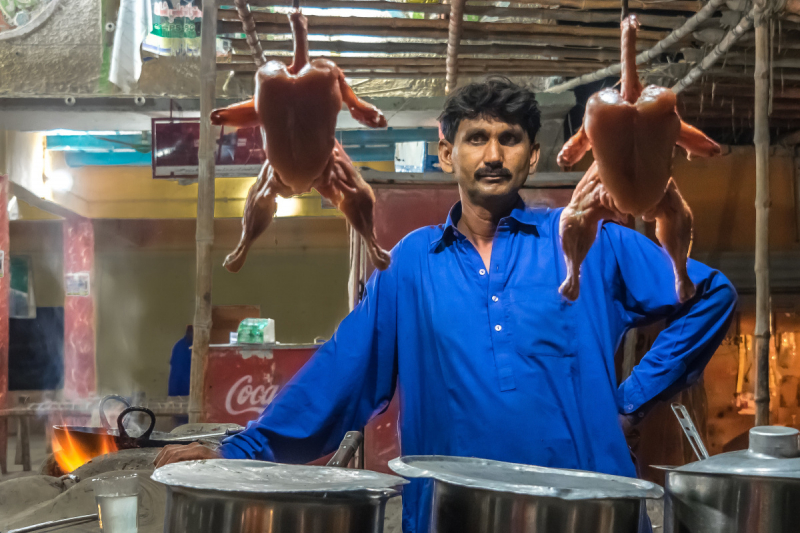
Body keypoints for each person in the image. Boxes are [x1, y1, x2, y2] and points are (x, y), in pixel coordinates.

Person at [155, 77, 737, 533]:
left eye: (509, 139)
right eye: (475, 138)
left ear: (533, 157)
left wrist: (632, 400)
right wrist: (239, 449)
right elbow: (340, 375)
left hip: (588, 515)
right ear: (445, 154)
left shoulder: (586, 239)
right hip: (454, 518)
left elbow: (711, 294)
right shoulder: (411, 264)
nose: (492, 153)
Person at [168, 325, 193, 397]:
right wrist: (172, 396)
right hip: (182, 391)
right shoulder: (180, 347)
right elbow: (176, 374)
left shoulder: (197, 346)